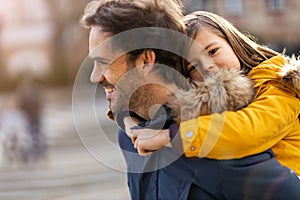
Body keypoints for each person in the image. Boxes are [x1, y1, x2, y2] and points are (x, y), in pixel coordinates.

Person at [80, 1, 300, 199]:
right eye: (192, 66)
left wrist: (171, 136)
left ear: (147, 60)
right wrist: (130, 122)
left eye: (103, 62)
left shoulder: (221, 137)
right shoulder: (131, 136)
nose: (94, 76)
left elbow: (252, 130)